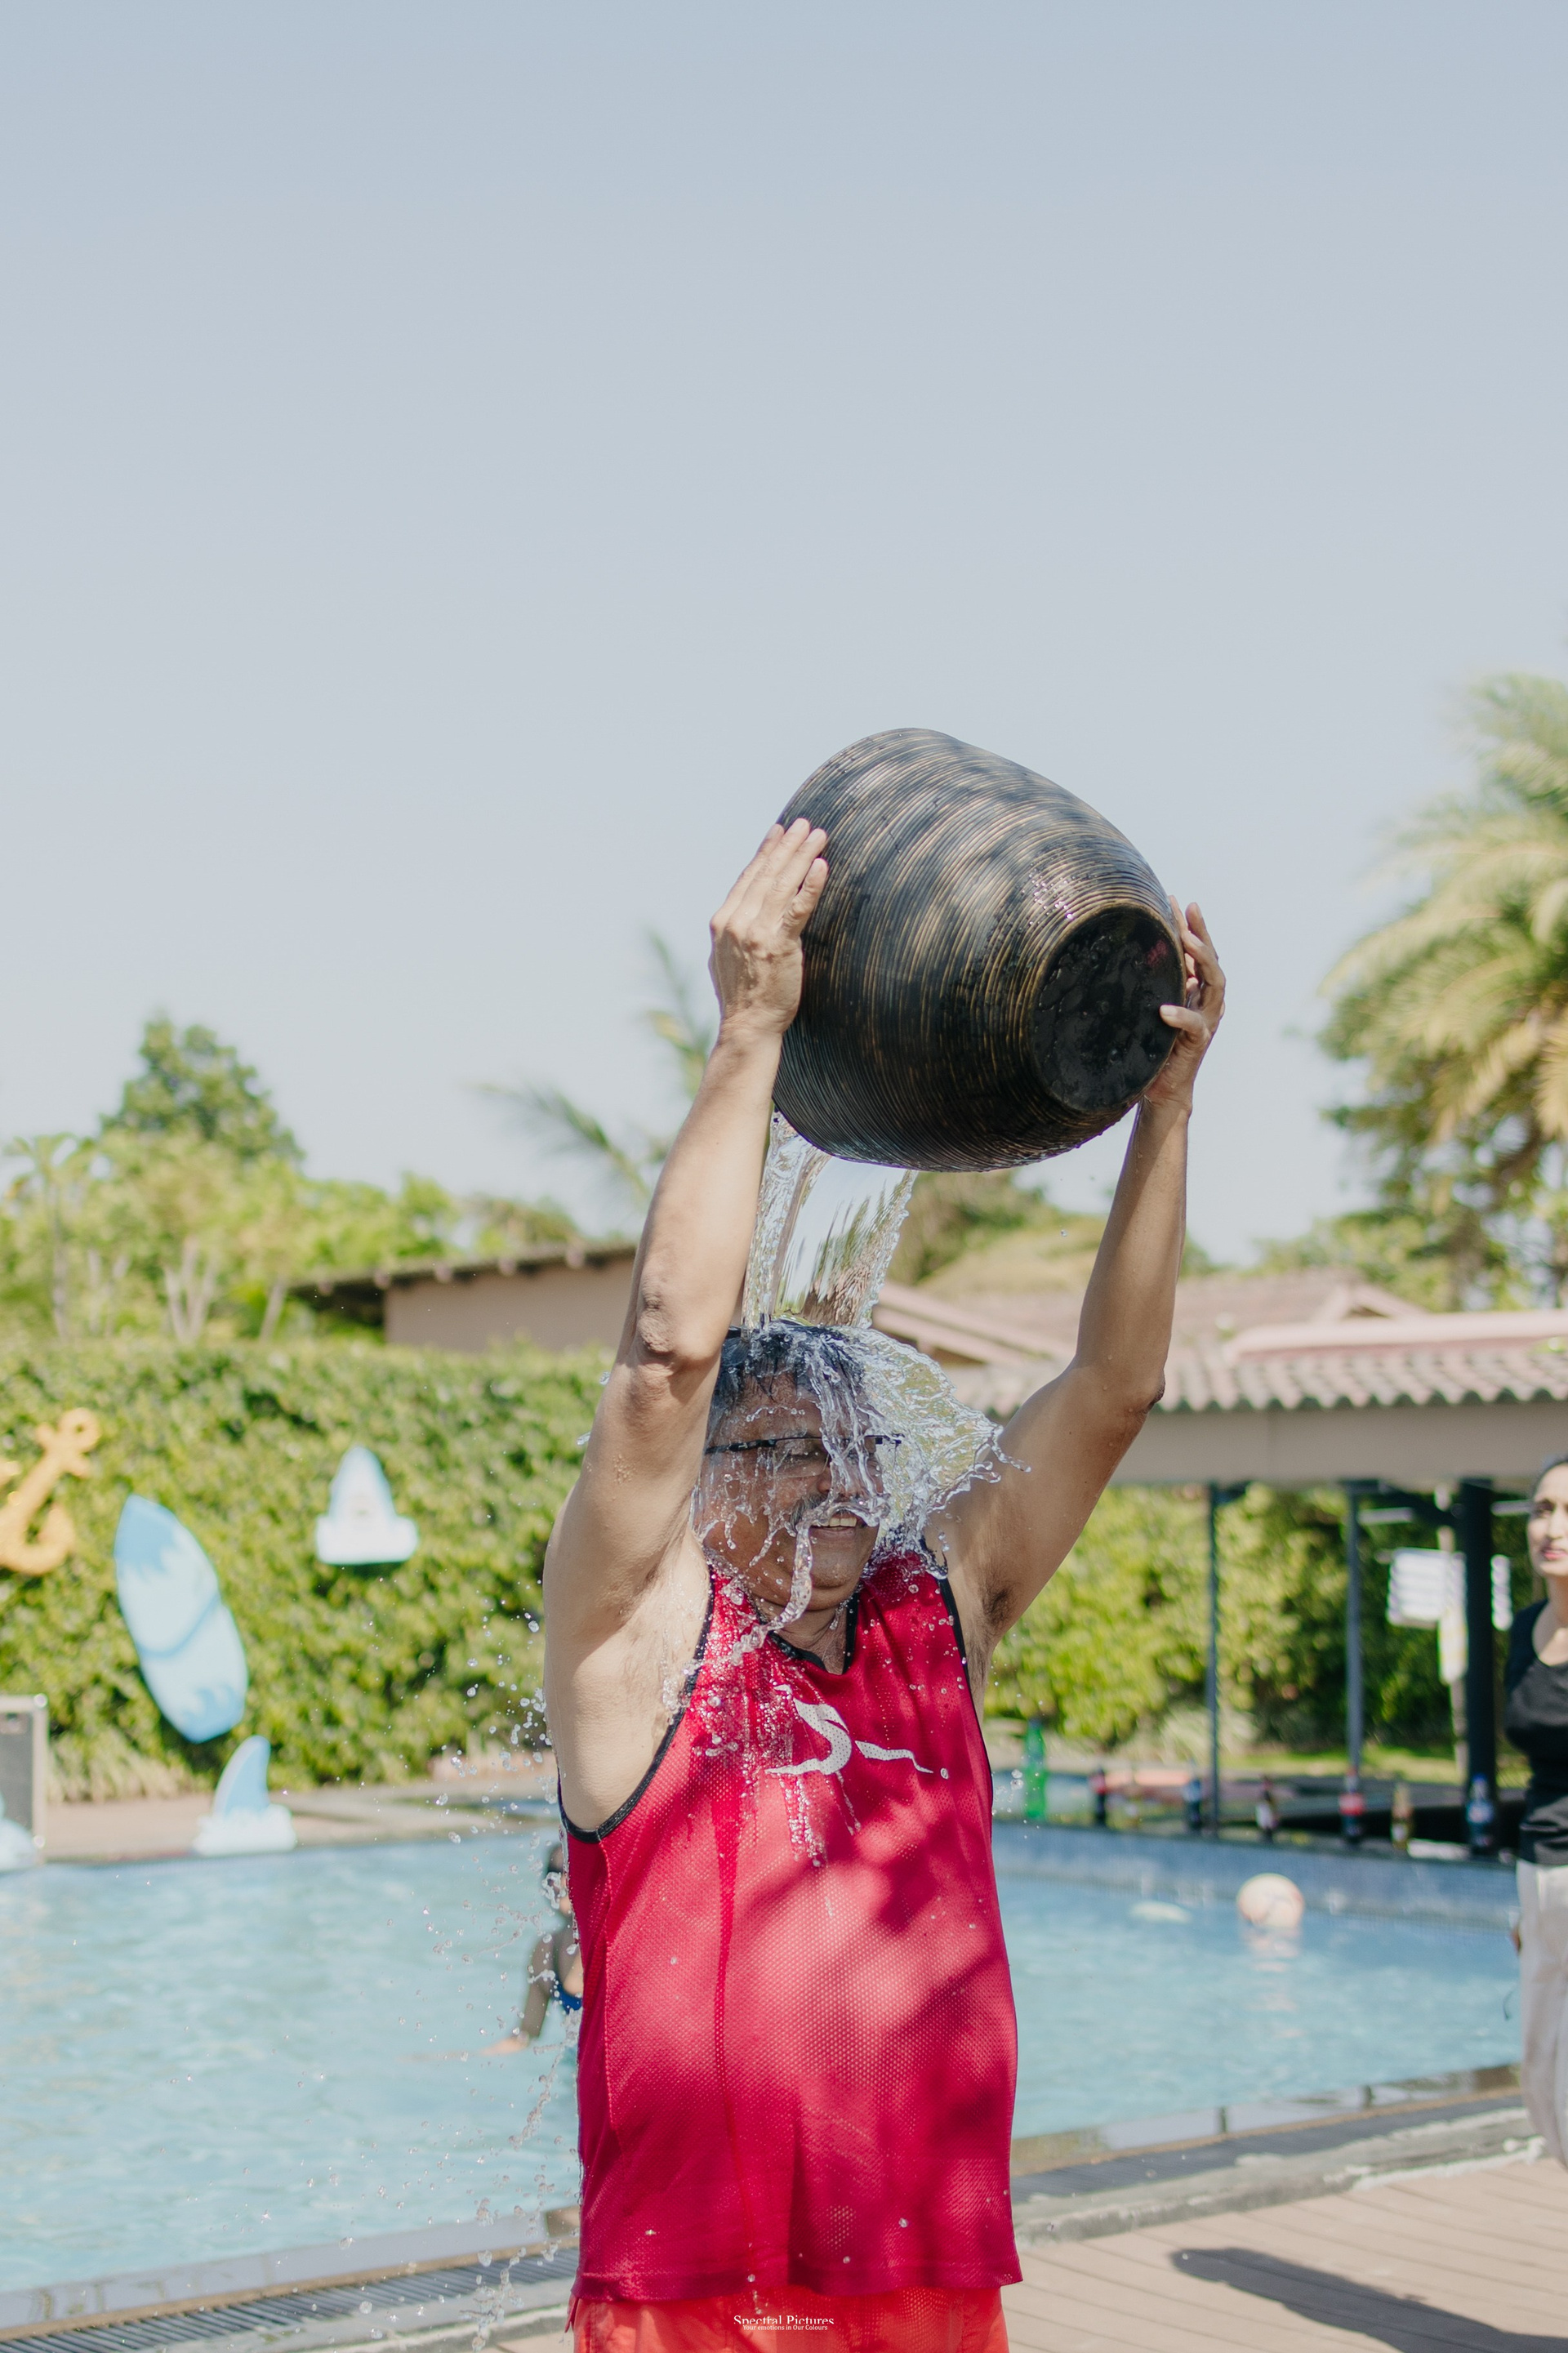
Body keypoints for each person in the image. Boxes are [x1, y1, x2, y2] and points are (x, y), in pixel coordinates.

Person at [544, 818, 1224, 2353]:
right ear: (703, 1489)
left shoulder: (937, 1615)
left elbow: (1114, 1387)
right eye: (783, 1448)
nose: (834, 1476)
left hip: (928, 2283)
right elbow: (666, 1359)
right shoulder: (638, 1638)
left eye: (852, 1442)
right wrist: (751, 1036)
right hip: (695, 2301)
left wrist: (1165, 1112)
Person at [1505, 1456, 1568, 2167]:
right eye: (1543, 1509)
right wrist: (1530, 1910)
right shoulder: (1526, 1630)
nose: (1553, 1527)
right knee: (1542, 2082)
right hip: (1540, 1873)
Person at [488, 1841, 584, 2052]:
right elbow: (524, 2036)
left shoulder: (617, 1942)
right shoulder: (547, 1951)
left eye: (572, 1870)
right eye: (555, 1873)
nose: (562, 1881)